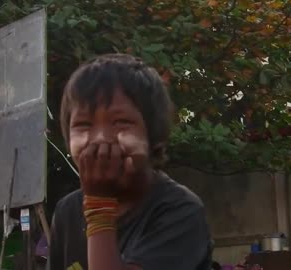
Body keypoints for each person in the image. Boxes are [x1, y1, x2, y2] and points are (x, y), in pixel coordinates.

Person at [48, 53, 212, 270]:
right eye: (83, 124)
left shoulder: (180, 210)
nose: (100, 139)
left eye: (121, 122)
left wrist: (98, 204)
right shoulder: (67, 212)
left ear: (152, 136)